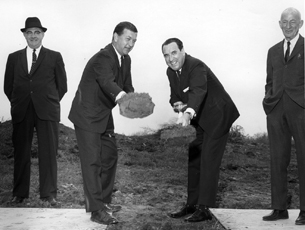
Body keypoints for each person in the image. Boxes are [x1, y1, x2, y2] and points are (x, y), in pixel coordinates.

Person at [162, 38, 239, 222]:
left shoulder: (196, 66)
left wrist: (187, 113)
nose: (170, 59)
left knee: (208, 161)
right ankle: (192, 204)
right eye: (166, 55)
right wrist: (176, 105)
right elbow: (175, 96)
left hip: (217, 117)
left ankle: (204, 208)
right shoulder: (171, 72)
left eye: (173, 53)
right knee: (194, 159)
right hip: (200, 120)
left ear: (182, 51)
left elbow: (198, 91)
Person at [68, 21, 138, 225]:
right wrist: (123, 98)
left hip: (104, 115)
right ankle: (96, 210)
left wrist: (134, 100)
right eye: (127, 39)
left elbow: (127, 85)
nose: (130, 44)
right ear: (115, 37)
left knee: (109, 156)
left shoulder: (126, 60)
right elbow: (108, 82)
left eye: (134, 40)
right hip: (86, 115)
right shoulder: (102, 58)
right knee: (92, 162)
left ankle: (104, 201)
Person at [3, 17, 67, 206]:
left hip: (47, 111)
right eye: (29, 32)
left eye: (37, 32)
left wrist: (48, 101)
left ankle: (49, 194)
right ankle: (19, 193)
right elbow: (8, 87)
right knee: (21, 153)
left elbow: (62, 86)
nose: (33, 36)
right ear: (24, 35)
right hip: (22, 111)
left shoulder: (55, 56)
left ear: (43, 34)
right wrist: (18, 103)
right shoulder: (13, 57)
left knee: (48, 153)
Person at [262, 8, 304, 225]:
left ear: (301, 23)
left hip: (301, 111)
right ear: (279, 24)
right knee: (278, 159)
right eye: (284, 22)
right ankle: (279, 208)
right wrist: (268, 102)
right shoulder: (272, 51)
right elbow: (270, 80)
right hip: (276, 110)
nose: (288, 26)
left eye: (293, 22)